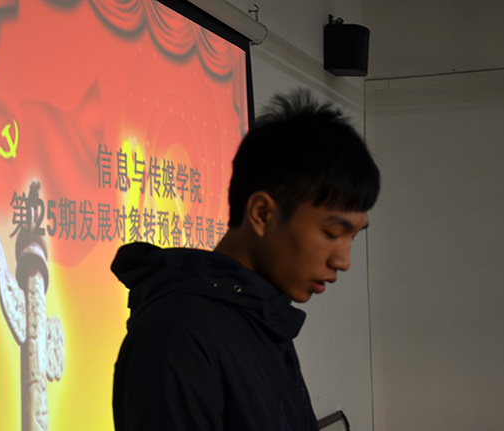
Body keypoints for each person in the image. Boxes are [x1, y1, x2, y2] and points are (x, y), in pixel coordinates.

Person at [110, 88, 380, 431]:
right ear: (262, 214)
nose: (343, 261)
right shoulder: (176, 335)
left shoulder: (263, 317)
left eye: (352, 237)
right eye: (331, 233)